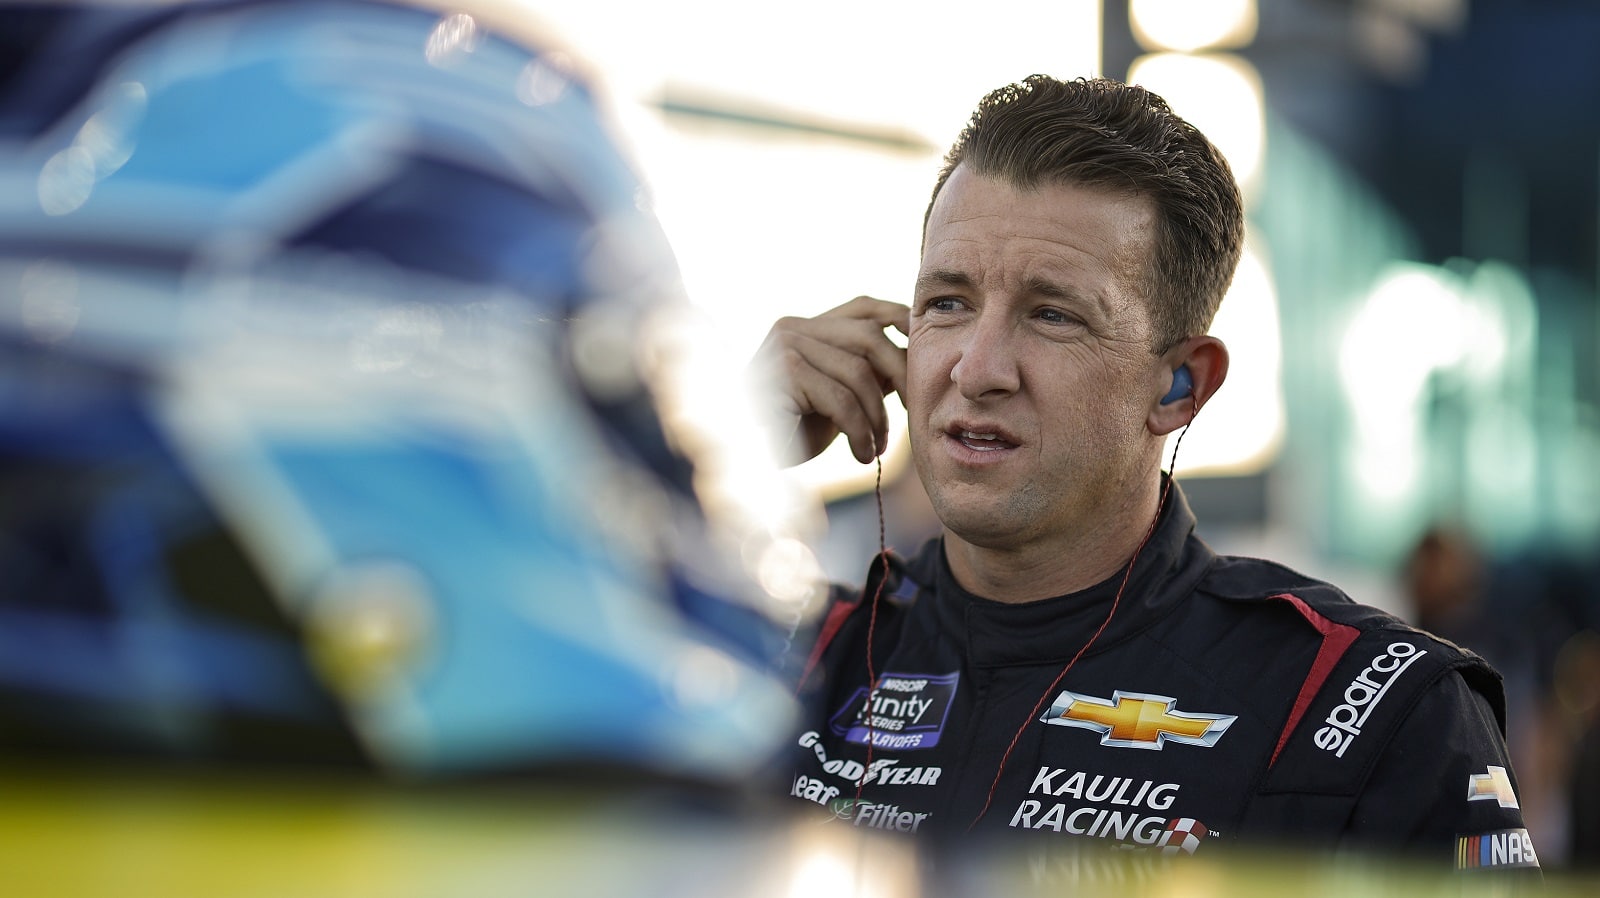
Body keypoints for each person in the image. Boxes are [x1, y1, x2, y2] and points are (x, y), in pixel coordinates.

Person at [764, 75, 1538, 876]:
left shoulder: (1374, 710)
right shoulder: (772, 651)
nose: (978, 368)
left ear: (1179, 387)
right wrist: (719, 451)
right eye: (948, 303)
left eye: (1052, 314)